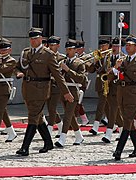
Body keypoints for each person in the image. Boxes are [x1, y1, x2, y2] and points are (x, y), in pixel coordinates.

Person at [15, 27, 74, 156]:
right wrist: (19, 72)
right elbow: (18, 67)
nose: (33, 41)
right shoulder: (25, 53)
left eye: (35, 38)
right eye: (31, 39)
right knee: (38, 117)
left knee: (33, 117)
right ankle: (48, 142)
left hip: (41, 90)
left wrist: (66, 92)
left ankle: (25, 147)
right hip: (27, 89)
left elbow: (58, 75)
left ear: (41, 39)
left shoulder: (48, 54)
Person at [54, 39, 85, 147]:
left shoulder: (80, 63)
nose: (68, 51)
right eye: (67, 49)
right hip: (64, 90)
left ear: (75, 50)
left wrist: (68, 70)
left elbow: (81, 78)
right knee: (70, 116)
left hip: (73, 91)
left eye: (70, 49)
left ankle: (62, 138)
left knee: (67, 115)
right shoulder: (63, 61)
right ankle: (79, 136)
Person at [101, 37, 125, 143]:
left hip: (118, 87)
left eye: (117, 46)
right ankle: (123, 131)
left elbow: (123, 73)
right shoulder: (108, 57)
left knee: (113, 110)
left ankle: (108, 133)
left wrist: (115, 68)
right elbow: (104, 69)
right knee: (113, 110)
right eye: (114, 46)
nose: (115, 48)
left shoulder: (123, 58)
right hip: (108, 85)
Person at [89, 38, 111, 135]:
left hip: (107, 82)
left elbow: (106, 69)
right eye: (101, 46)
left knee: (101, 104)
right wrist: (94, 61)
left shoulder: (110, 56)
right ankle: (114, 123)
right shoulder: (99, 56)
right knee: (106, 106)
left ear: (108, 46)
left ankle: (96, 125)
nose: (102, 48)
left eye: (104, 45)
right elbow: (91, 70)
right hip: (99, 82)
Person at [45, 36, 65, 137]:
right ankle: (61, 127)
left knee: (52, 108)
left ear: (58, 46)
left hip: (56, 85)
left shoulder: (62, 58)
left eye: (53, 45)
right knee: (50, 108)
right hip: (46, 85)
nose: (51, 47)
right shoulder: (45, 56)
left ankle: (49, 129)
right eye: (50, 45)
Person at [75, 40, 91, 127]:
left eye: (79, 48)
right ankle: (84, 119)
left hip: (82, 81)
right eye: (76, 48)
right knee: (75, 101)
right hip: (74, 80)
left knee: (78, 101)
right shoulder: (74, 56)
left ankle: (81, 119)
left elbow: (90, 68)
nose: (77, 50)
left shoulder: (87, 57)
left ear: (83, 49)